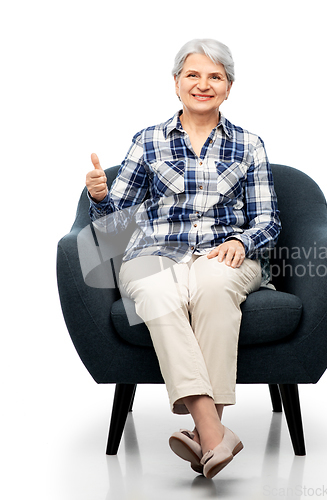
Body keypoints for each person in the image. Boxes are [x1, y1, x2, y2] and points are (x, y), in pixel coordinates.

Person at [86, 39, 281, 478]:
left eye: (215, 76)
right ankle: (213, 432)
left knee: (212, 288)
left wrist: (245, 242)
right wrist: (98, 197)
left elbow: (268, 218)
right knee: (155, 291)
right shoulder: (148, 140)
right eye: (193, 74)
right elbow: (114, 228)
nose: (203, 84)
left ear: (229, 88)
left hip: (224, 252)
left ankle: (203, 432)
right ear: (176, 83)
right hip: (155, 251)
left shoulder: (249, 145)